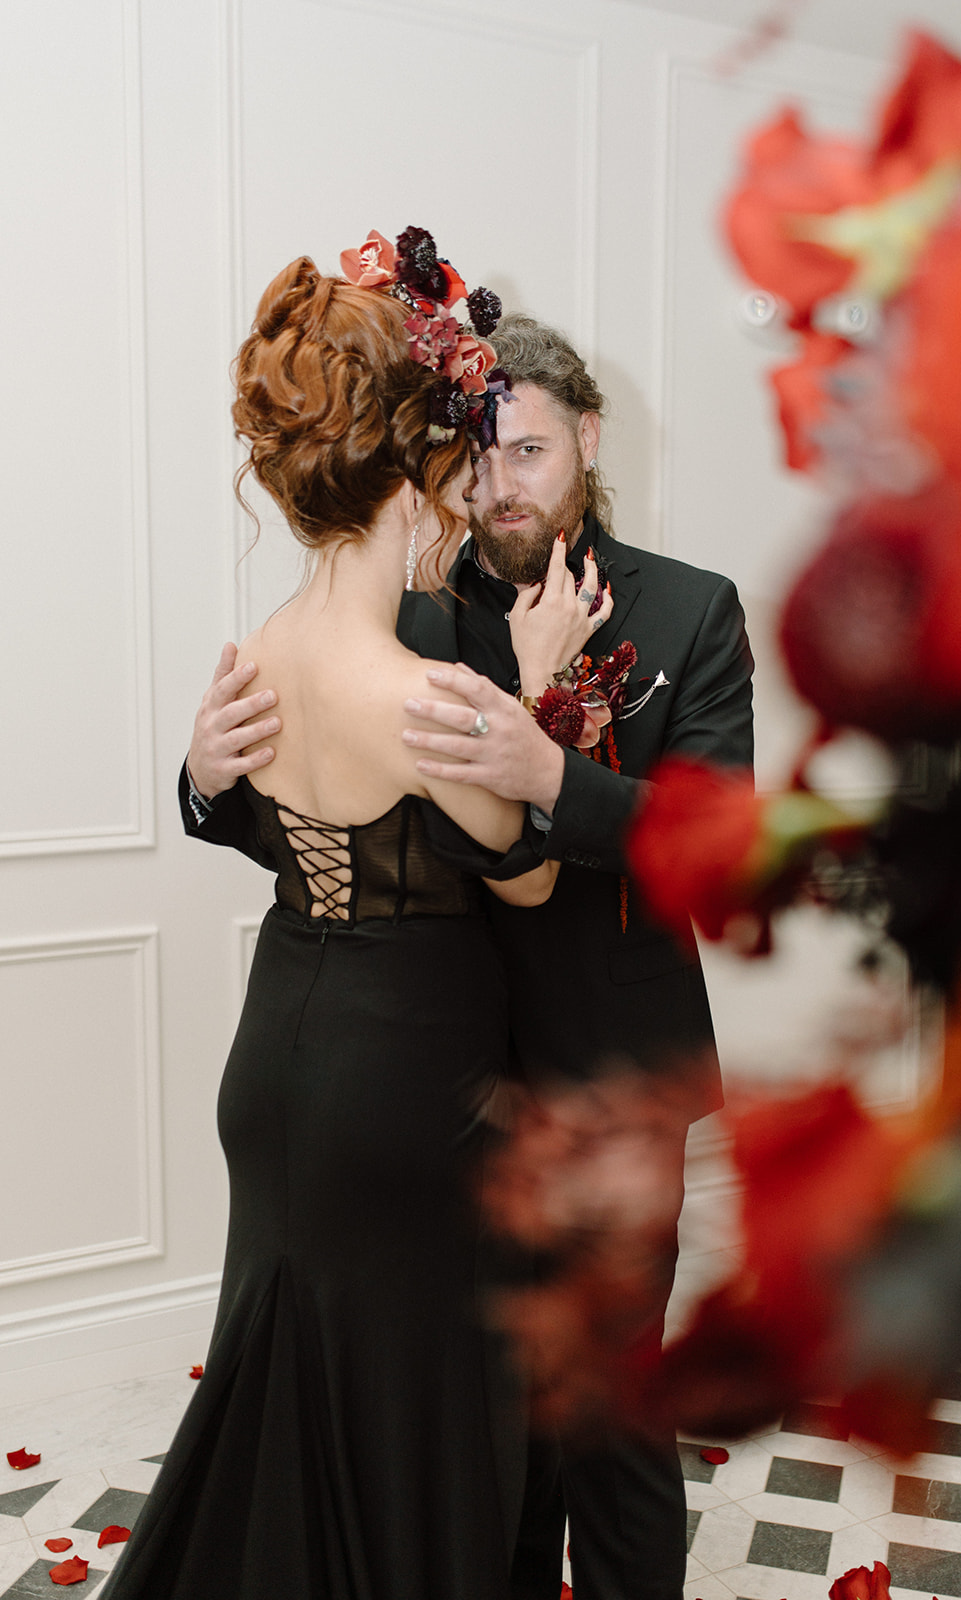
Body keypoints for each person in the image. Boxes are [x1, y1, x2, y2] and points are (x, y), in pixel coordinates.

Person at [182, 314, 755, 1600]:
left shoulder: (689, 609)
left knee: (605, 1417)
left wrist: (557, 772)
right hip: (442, 1098)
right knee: (473, 1419)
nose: (499, 486)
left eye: (531, 452)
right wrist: (201, 779)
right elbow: (341, 818)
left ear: (587, 443)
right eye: (477, 458)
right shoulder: (420, 612)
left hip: (607, 1080)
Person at [110, 244, 613, 1600]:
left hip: (276, 1058)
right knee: (418, 1425)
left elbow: (256, 814)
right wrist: (532, 694)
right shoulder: (431, 697)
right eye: (453, 477)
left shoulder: (253, 656)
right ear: (406, 482)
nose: (464, 503)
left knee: (287, 1400)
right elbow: (523, 880)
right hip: (410, 1090)